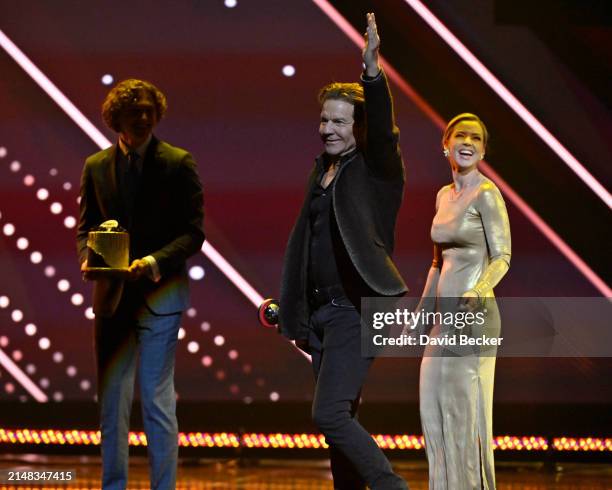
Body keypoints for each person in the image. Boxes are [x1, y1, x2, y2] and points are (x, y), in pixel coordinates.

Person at [279, 13, 408, 490]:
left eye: (339, 120)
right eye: (324, 119)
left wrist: (371, 72)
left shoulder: (376, 169)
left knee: (330, 413)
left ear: (359, 127)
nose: (328, 128)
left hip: (356, 310)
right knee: (342, 422)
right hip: (321, 316)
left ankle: (391, 486)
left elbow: (383, 127)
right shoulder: (322, 171)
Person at [77, 79, 204, 490]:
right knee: (111, 407)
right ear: (118, 119)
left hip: (160, 295)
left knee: (157, 401)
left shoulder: (178, 162)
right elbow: (86, 227)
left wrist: (152, 262)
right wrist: (87, 257)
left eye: (150, 110)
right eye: (136, 112)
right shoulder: (95, 166)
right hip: (112, 300)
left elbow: (193, 233)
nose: (145, 118)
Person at [417, 113, 511, 489]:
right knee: (433, 408)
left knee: (464, 415)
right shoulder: (444, 195)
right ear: (446, 144)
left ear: (483, 150)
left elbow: (502, 256)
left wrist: (479, 288)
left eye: (476, 138)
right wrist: (422, 315)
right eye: (461, 135)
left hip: (474, 317)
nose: (468, 142)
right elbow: (438, 262)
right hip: (445, 319)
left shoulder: (486, 193)